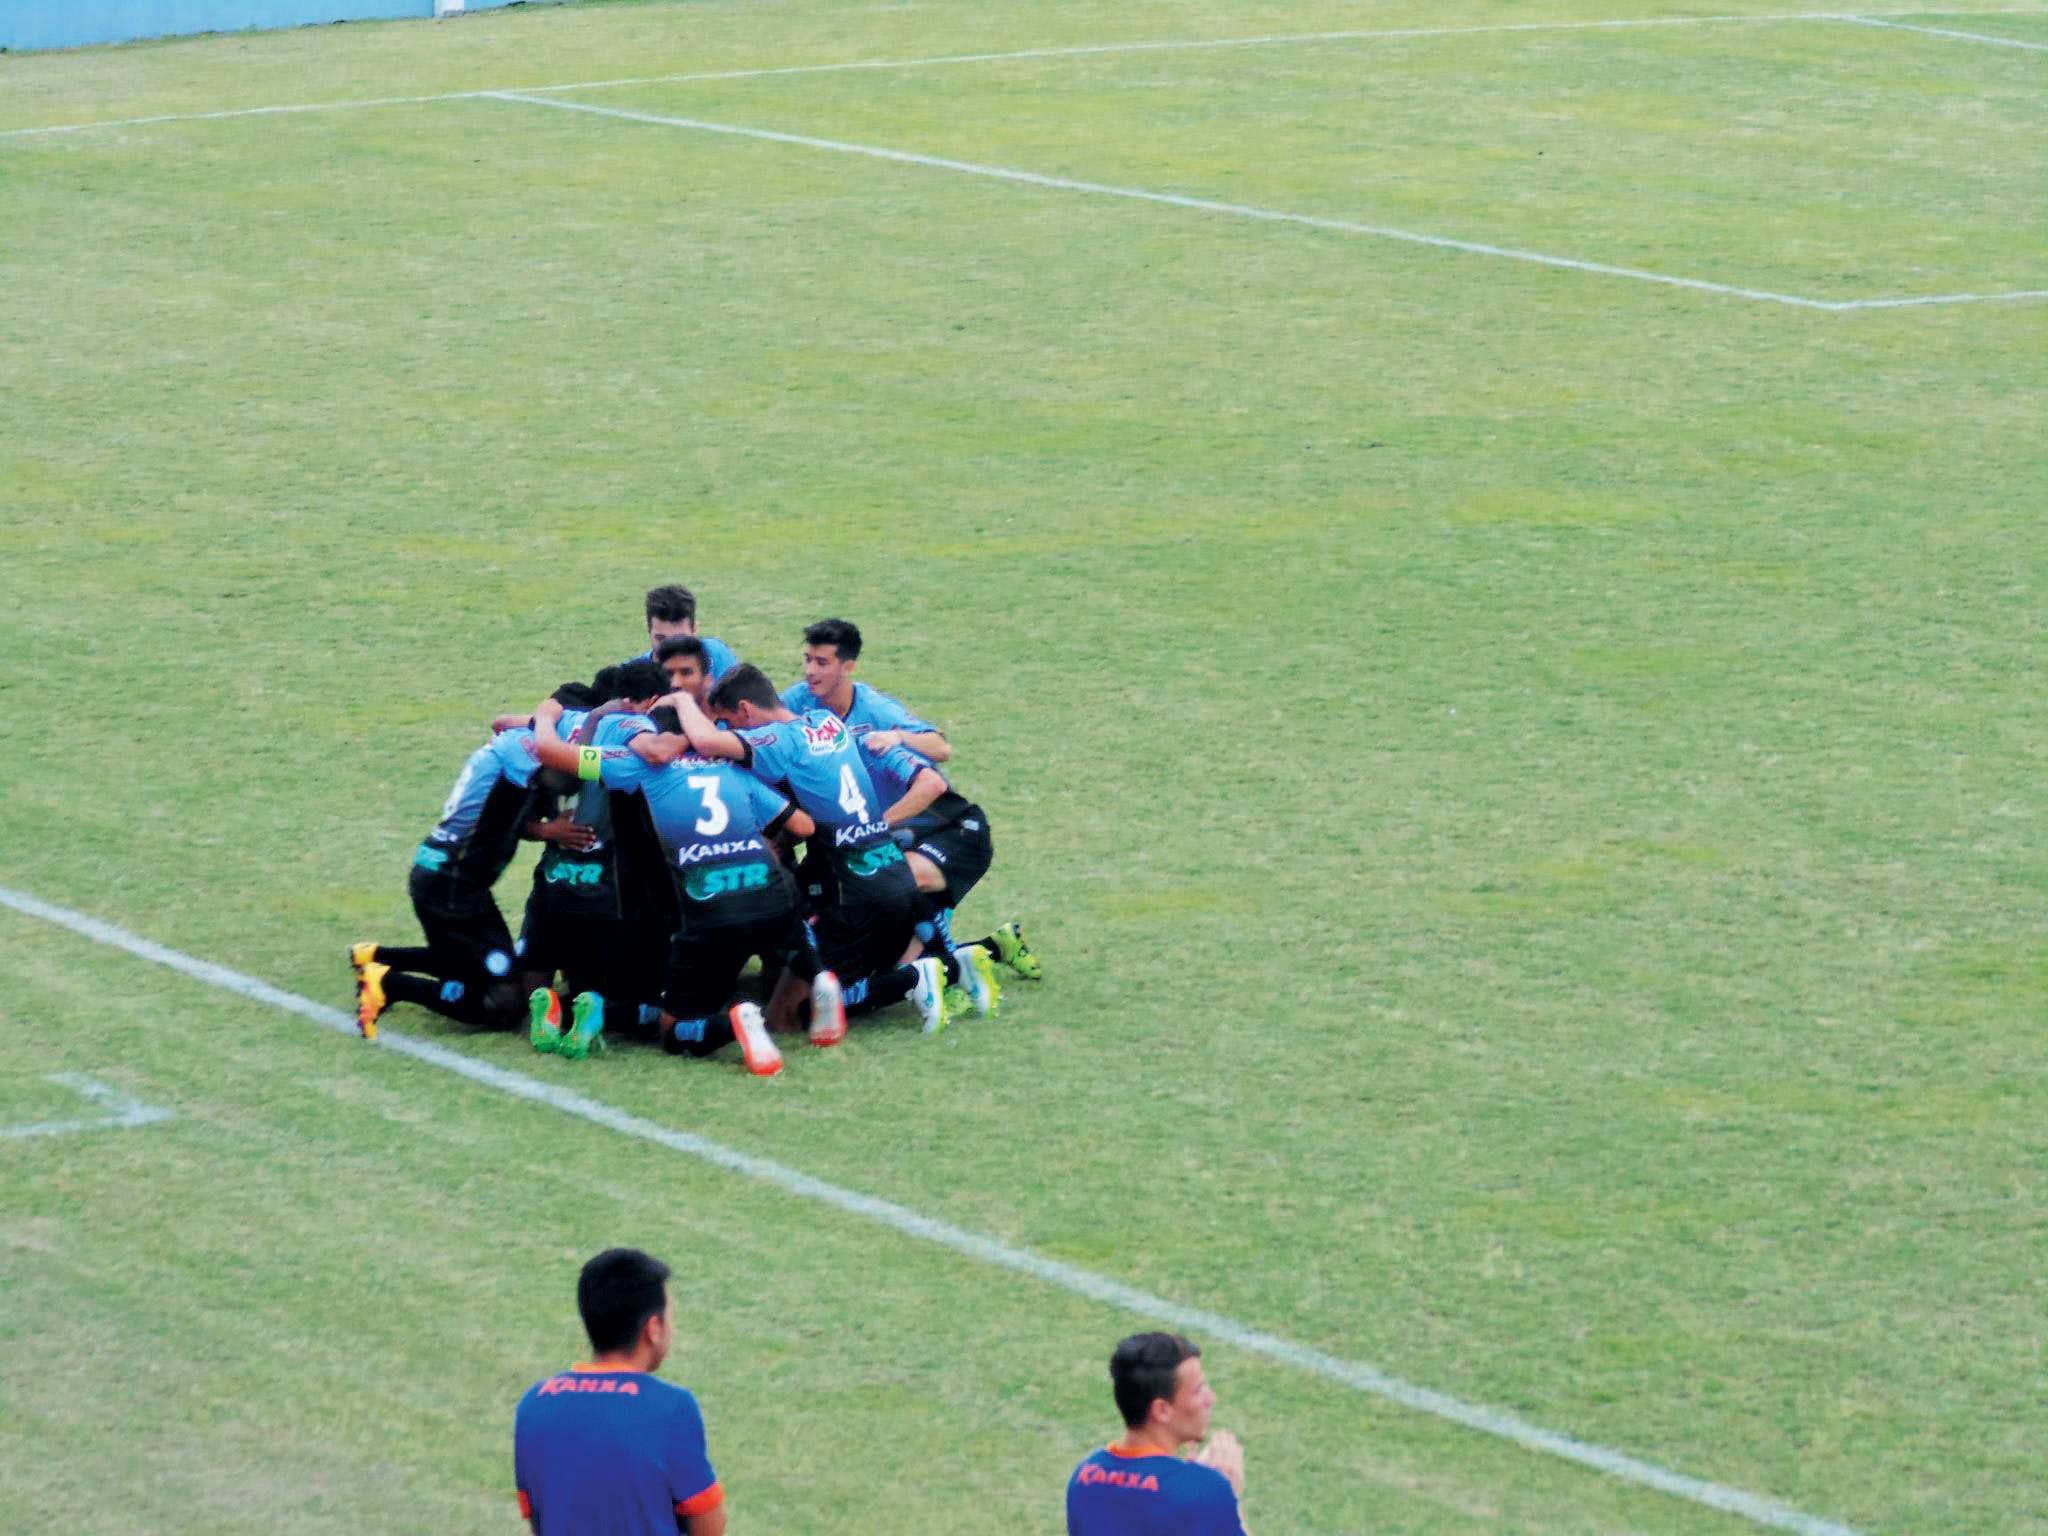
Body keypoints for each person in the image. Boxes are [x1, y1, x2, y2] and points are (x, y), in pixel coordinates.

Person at [531, 695, 840, 1073]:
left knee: (672, 1030)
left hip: (711, 911)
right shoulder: (729, 768)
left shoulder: (637, 765)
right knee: (792, 928)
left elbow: (551, 753)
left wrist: (545, 715)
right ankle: (818, 974)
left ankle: (736, 1024)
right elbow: (803, 826)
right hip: (770, 895)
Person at [352, 715, 586, 1040]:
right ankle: (389, 983)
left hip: (445, 876)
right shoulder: (524, 756)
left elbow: (513, 808)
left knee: (472, 961)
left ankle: (376, 957)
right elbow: (563, 780)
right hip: (453, 886)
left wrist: (547, 829)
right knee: (506, 1001)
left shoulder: (518, 747)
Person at [514, 1248, 727, 1536]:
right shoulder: (670, 1408)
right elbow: (709, 1526)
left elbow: (539, 1519)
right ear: (653, 1328)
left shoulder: (535, 1405)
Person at [1067, 1333, 1249, 1536]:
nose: (1210, 1399)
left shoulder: (1084, 1475)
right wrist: (1229, 1499)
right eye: (1198, 1390)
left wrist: (1192, 1480)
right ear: (1161, 1410)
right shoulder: (1206, 1492)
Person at [778, 617, 952, 762]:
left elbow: (941, 748)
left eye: (822, 663)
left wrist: (898, 737)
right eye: (808, 660)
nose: (809, 671)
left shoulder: (876, 708)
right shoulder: (797, 698)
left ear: (847, 667)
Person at [630, 584, 739, 684]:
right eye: (661, 639)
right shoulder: (634, 676)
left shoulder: (716, 655)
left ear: (694, 630)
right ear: (648, 629)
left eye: (679, 639)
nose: (670, 649)